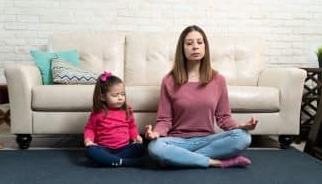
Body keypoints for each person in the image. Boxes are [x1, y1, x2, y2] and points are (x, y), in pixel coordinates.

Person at [145, 25, 258, 168]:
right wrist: (156, 133)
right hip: (178, 141)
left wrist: (239, 126)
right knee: (155, 147)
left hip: (208, 139)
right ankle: (217, 162)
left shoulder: (218, 80)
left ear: (205, 47)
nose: (195, 47)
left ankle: (179, 159)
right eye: (189, 43)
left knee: (243, 137)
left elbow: (223, 118)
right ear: (182, 49)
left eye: (200, 42)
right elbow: (165, 120)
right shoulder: (169, 80)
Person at [84, 71, 145, 167]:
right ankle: (124, 162)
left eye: (122, 94)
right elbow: (90, 129)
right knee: (90, 150)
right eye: (115, 95)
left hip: (124, 148)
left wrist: (136, 137)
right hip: (104, 148)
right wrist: (88, 140)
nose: (120, 98)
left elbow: (132, 127)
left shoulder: (127, 109)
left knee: (140, 148)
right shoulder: (98, 112)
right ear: (103, 97)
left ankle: (107, 160)